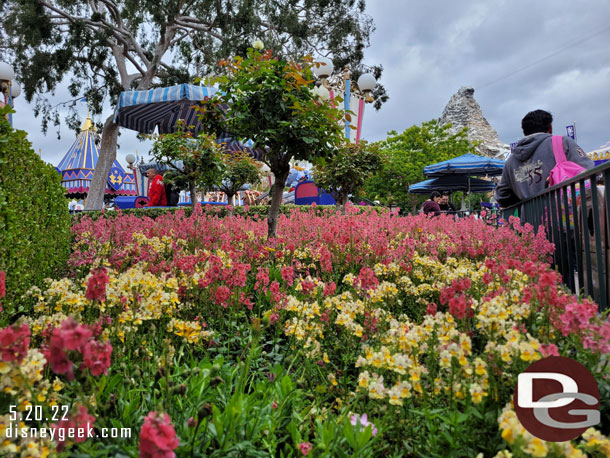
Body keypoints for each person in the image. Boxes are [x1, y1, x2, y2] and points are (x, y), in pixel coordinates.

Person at [495, 109, 595, 207]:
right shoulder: (561, 142)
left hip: (530, 220)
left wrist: (524, 197)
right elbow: (590, 172)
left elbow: (502, 196)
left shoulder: (511, 161)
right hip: (565, 216)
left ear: (525, 132)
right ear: (550, 127)